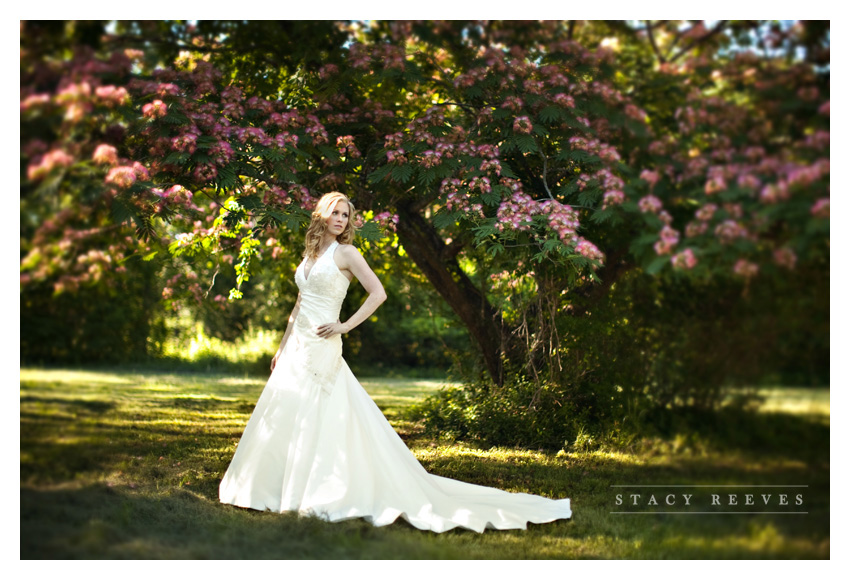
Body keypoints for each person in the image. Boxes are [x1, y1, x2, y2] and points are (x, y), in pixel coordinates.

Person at [219, 191, 572, 533]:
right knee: (288, 412)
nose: (341, 220)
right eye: (336, 213)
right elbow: (299, 304)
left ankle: (321, 490)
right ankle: (273, 487)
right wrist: (282, 347)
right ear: (322, 214)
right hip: (297, 346)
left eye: (346, 215)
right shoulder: (310, 253)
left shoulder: (347, 253)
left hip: (324, 346)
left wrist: (344, 326)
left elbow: (378, 293)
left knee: (321, 415)